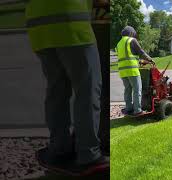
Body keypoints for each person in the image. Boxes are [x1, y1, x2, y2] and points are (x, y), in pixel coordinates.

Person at [25, 0, 108, 174]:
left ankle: (59, 148)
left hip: (38, 26)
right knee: (87, 90)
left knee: (57, 90)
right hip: (71, 23)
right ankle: (89, 154)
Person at [116, 26, 154, 116]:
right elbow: (141, 52)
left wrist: (140, 61)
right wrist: (150, 60)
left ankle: (128, 108)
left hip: (122, 71)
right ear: (131, 33)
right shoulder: (131, 40)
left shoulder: (119, 43)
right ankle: (137, 110)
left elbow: (128, 56)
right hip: (132, 70)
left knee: (128, 90)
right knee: (137, 90)